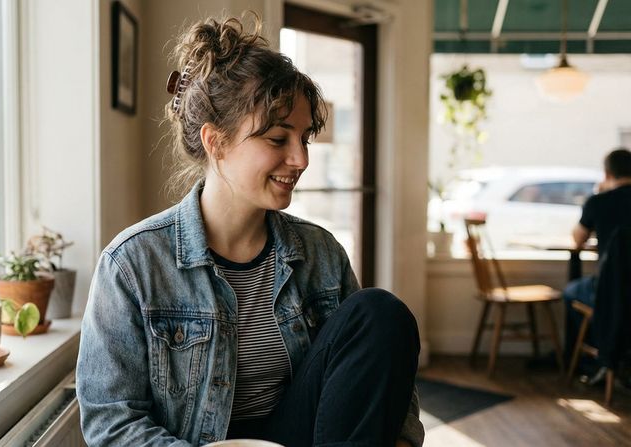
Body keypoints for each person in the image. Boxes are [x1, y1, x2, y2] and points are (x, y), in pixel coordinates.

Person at [76, 14, 423, 447]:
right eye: (278, 139)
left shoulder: (321, 254)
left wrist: (402, 440)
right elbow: (111, 425)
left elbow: (382, 386)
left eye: (304, 139)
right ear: (215, 141)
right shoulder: (132, 265)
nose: (300, 159)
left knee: (379, 313)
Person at [564, 147, 631, 376]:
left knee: (571, 292)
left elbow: (577, 240)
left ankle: (596, 357)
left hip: (609, 287)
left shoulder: (599, 202)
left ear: (607, 174)